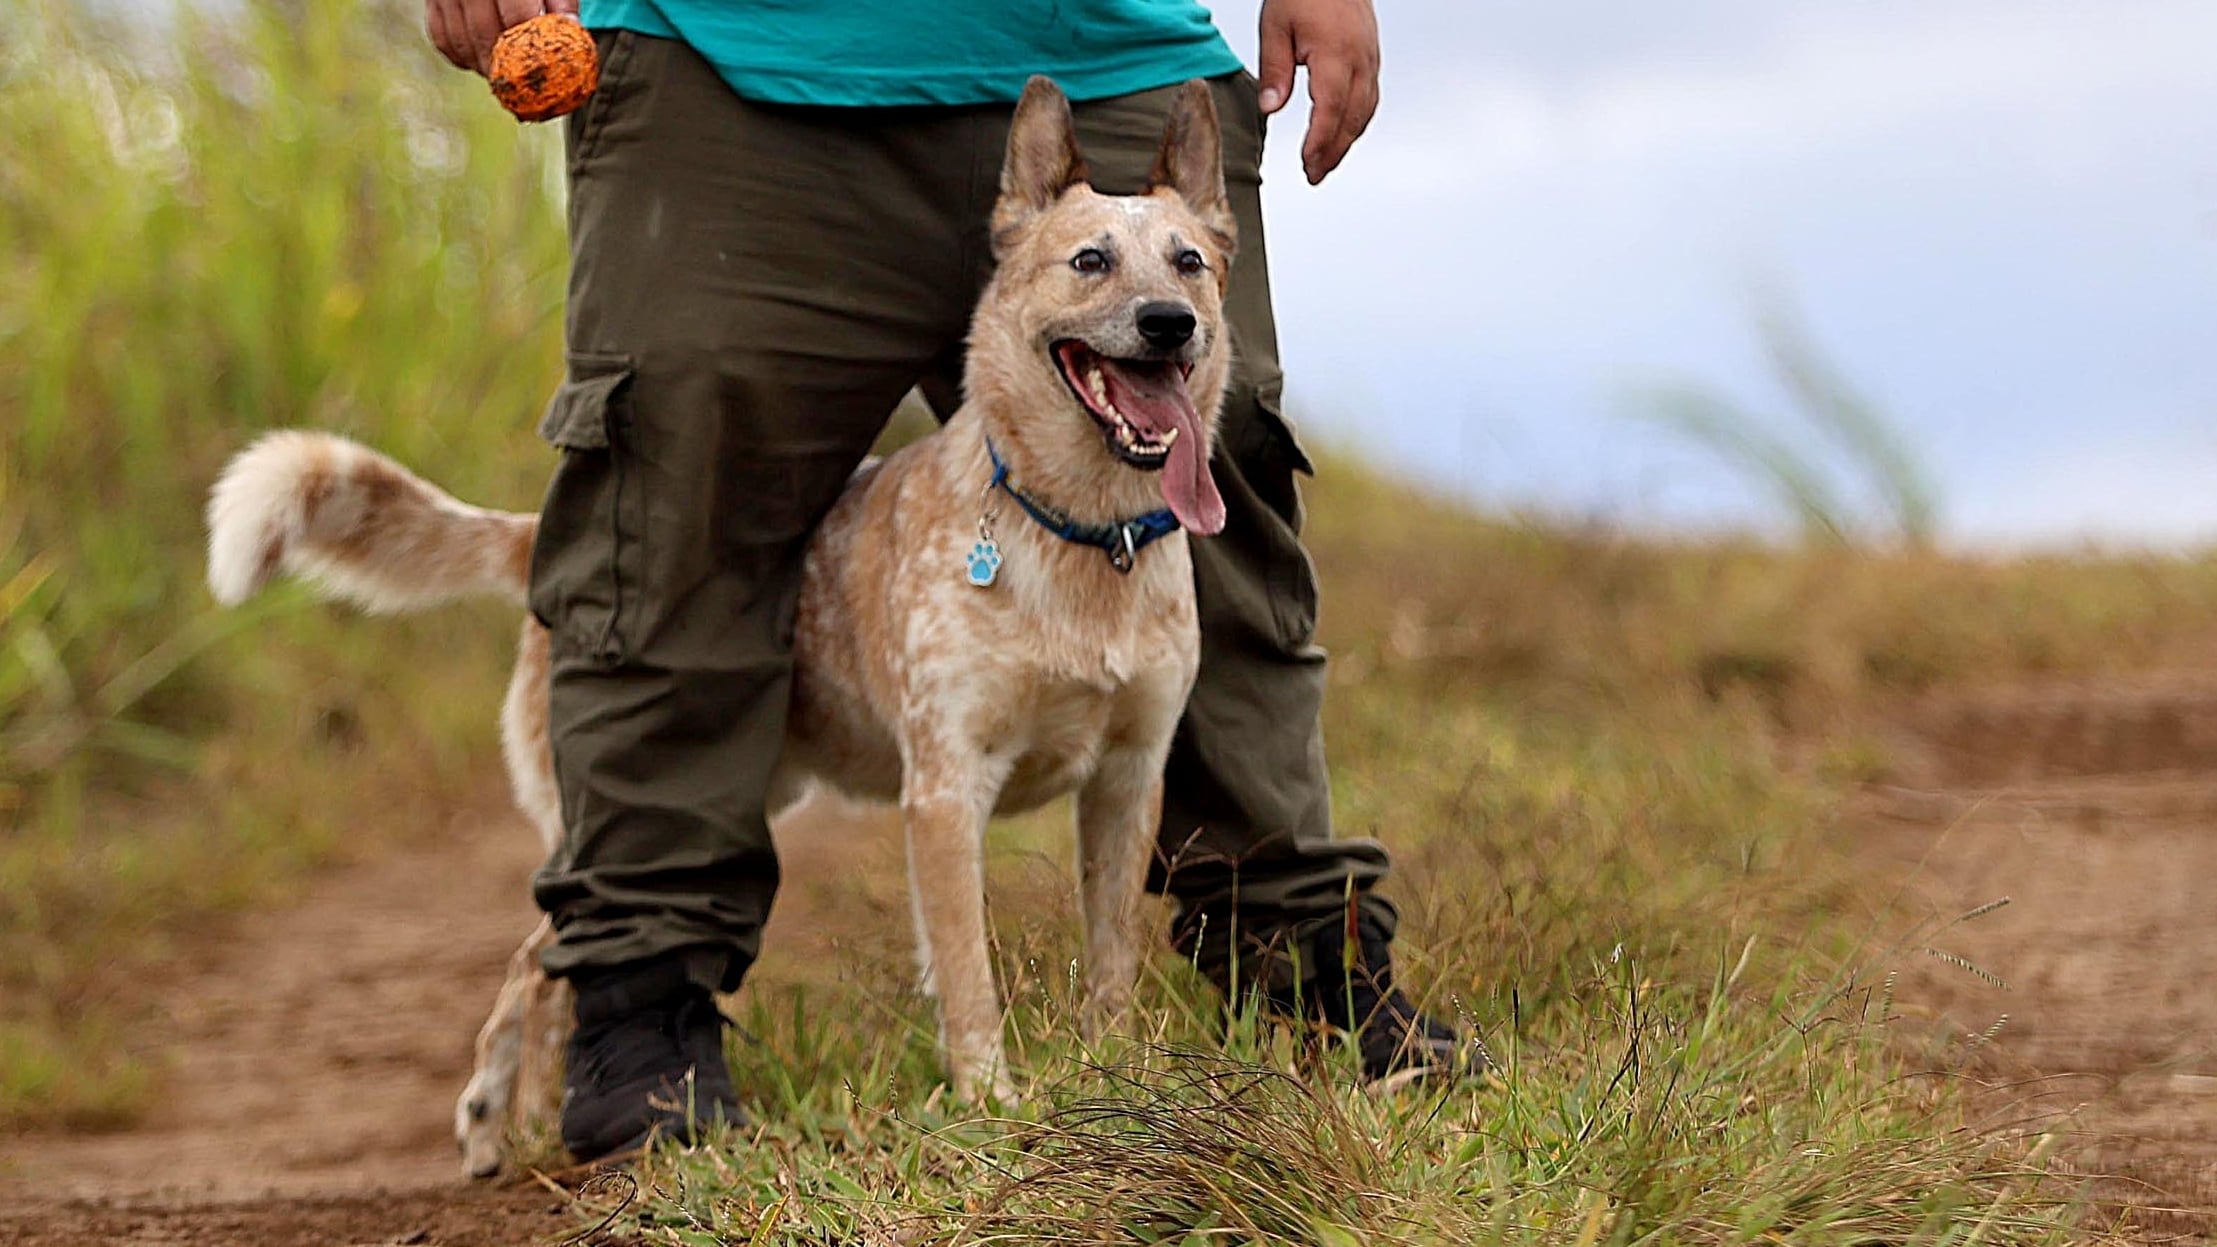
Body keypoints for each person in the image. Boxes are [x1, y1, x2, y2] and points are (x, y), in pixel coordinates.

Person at [425, 0, 1487, 1161]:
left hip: (1109, 41)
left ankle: (1301, 969)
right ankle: (643, 1004)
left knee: (1216, 499)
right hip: (731, 62)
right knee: (675, 503)